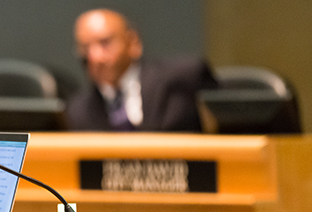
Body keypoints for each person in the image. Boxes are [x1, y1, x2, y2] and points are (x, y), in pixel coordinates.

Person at [65, 9, 218, 132]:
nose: (95, 57)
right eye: (85, 48)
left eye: (105, 43)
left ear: (133, 43)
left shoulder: (184, 79)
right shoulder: (78, 110)